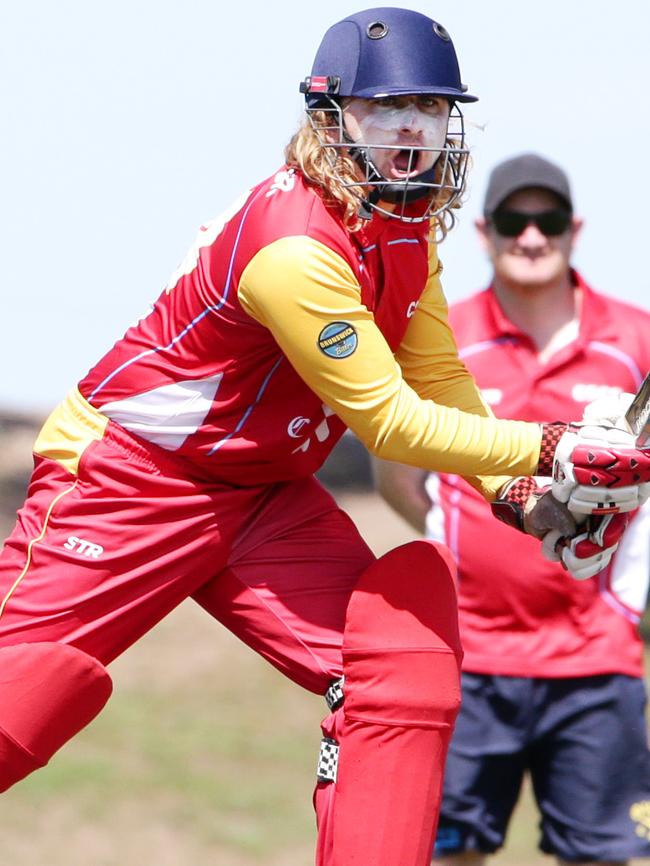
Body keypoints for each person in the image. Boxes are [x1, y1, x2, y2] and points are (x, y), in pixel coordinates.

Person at [1, 11, 648, 866]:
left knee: (404, 659)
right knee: (19, 701)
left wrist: (511, 489)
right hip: (134, 479)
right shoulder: (297, 246)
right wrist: (548, 447)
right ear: (330, 115)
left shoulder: (405, 223)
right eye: (389, 106)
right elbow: (387, 420)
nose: (414, 126)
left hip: (265, 494)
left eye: (431, 105)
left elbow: (440, 380)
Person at [375, 152, 650, 866]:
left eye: (548, 219)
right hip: (466, 657)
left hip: (598, 660)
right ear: (484, 231)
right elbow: (400, 481)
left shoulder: (635, 339)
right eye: (514, 221)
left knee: (607, 858)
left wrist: (625, 599)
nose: (532, 237)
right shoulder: (440, 337)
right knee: (446, 853)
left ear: (574, 228)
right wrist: (473, 552)